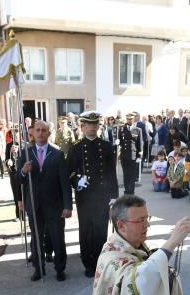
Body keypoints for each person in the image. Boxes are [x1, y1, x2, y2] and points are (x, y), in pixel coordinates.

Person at [17, 120, 72, 281]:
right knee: (36, 238)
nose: (40, 133)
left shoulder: (58, 154)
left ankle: (60, 268)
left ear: (49, 133)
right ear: (32, 132)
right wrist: (23, 171)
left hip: (55, 205)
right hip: (34, 204)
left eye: (44, 130)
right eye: (38, 130)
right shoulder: (26, 153)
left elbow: (65, 182)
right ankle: (38, 268)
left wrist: (68, 205)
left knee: (57, 238)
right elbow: (18, 180)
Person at [68, 111, 119, 278]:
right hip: (84, 196)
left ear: (98, 126)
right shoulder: (76, 148)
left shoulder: (106, 147)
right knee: (86, 230)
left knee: (100, 229)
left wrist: (114, 196)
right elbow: (69, 172)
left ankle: (100, 261)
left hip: (102, 196)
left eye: (95, 124)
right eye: (88, 124)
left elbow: (112, 173)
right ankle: (88, 263)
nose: (92, 127)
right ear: (83, 126)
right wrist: (77, 181)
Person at [117, 113, 143, 196]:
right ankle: (126, 190)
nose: (129, 120)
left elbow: (140, 143)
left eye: (131, 119)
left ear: (134, 119)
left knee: (132, 175)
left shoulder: (138, 130)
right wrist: (117, 142)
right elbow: (120, 141)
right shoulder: (121, 129)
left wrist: (139, 155)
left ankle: (131, 191)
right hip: (124, 155)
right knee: (125, 174)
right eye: (128, 119)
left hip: (133, 155)